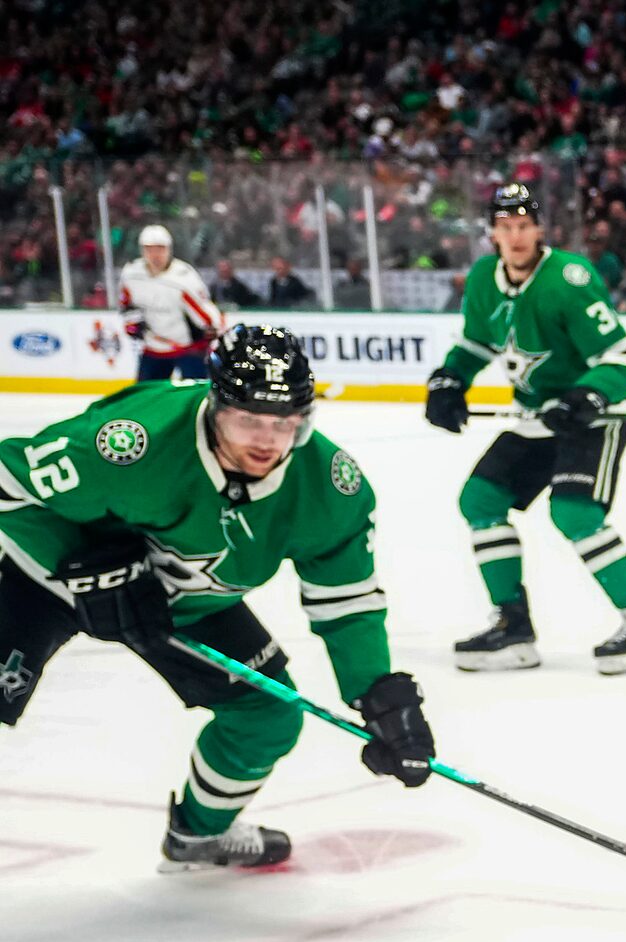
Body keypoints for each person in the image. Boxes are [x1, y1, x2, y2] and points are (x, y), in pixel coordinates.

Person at [0, 326, 437, 868]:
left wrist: (379, 696)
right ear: (215, 404)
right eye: (248, 419)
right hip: (41, 577)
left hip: (185, 605)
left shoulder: (330, 487)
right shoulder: (132, 440)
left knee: (267, 715)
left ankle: (198, 835)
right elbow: (6, 480)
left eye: (283, 423)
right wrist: (85, 556)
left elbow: (346, 603)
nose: (266, 440)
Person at [426, 183, 626, 676]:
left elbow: (618, 359)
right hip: (537, 417)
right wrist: (451, 379)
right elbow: (475, 344)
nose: (515, 237)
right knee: (480, 500)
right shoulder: (482, 279)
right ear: (493, 233)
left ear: (539, 229)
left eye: (523, 226)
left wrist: (587, 394)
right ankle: (513, 627)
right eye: (505, 227)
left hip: (593, 416)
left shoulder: (569, 280)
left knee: (574, 512)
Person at [118, 226, 221, 383]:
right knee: (146, 397)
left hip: (188, 348)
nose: (155, 255)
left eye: (160, 249)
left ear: (169, 249)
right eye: (150, 249)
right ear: (142, 250)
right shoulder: (132, 274)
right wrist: (131, 323)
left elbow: (204, 312)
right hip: (153, 346)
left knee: (196, 395)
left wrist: (209, 329)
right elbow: (126, 304)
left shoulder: (183, 277)